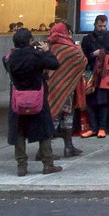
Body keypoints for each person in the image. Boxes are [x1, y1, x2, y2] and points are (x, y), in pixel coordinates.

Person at [5, 28, 62, 176]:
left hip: (18, 99)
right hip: (37, 98)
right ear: (30, 41)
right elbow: (54, 64)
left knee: (19, 133)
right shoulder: (36, 56)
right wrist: (46, 50)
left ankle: (21, 166)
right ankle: (48, 164)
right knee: (44, 131)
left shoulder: (10, 58)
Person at [44, 22, 87, 157]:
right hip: (68, 89)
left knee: (51, 118)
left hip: (50, 89)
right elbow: (83, 61)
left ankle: (44, 150)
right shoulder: (72, 49)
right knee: (67, 117)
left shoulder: (49, 48)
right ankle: (68, 147)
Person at [80, 13, 109, 138]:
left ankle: (102, 127)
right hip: (91, 73)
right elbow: (83, 56)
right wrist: (93, 54)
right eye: (100, 26)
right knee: (90, 101)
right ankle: (93, 127)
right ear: (95, 25)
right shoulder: (87, 39)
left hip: (105, 73)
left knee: (104, 101)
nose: (102, 28)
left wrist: (102, 53)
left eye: (104, 26)